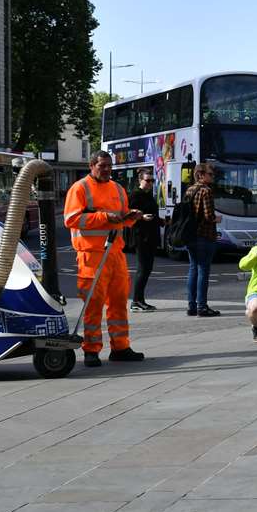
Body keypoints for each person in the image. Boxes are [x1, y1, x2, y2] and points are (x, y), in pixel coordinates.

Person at [63, 151, 146, 367]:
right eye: (103, 166)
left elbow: (121, 217)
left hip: (115, 253)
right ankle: (91, 350)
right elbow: (71, 219)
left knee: (118, 302)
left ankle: (120, 347)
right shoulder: (80, 188)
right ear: (92, 165)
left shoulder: (117, 188)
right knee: (93, 304)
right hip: (91, 255)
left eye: (110, 166)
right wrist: (104, 216)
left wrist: (131, 217)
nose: (107, 170)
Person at [185, 163, 221, 317]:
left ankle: (192, 305)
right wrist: (217, 219)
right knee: (203, 271)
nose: (212, 176)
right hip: (204, 236)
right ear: (201, 174)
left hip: (191, 235)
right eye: (210, 174)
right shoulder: (206, 191)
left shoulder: (190, 189)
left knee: (193, 269)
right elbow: (208, 216)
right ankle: (202, 306)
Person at [127, 169, 161, 312]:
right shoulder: (135, 195)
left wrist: (163, 221)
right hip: (141, 236)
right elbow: (128, 213)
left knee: (147, 269)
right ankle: (136, 301)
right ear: (140, 181)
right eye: (147, 180)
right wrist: (141, 217)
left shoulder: (148, 195)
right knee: (143, 269)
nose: (150, 183)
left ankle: (140, 300)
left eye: (152, 181)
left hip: (151, 236)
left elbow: (153, 213)